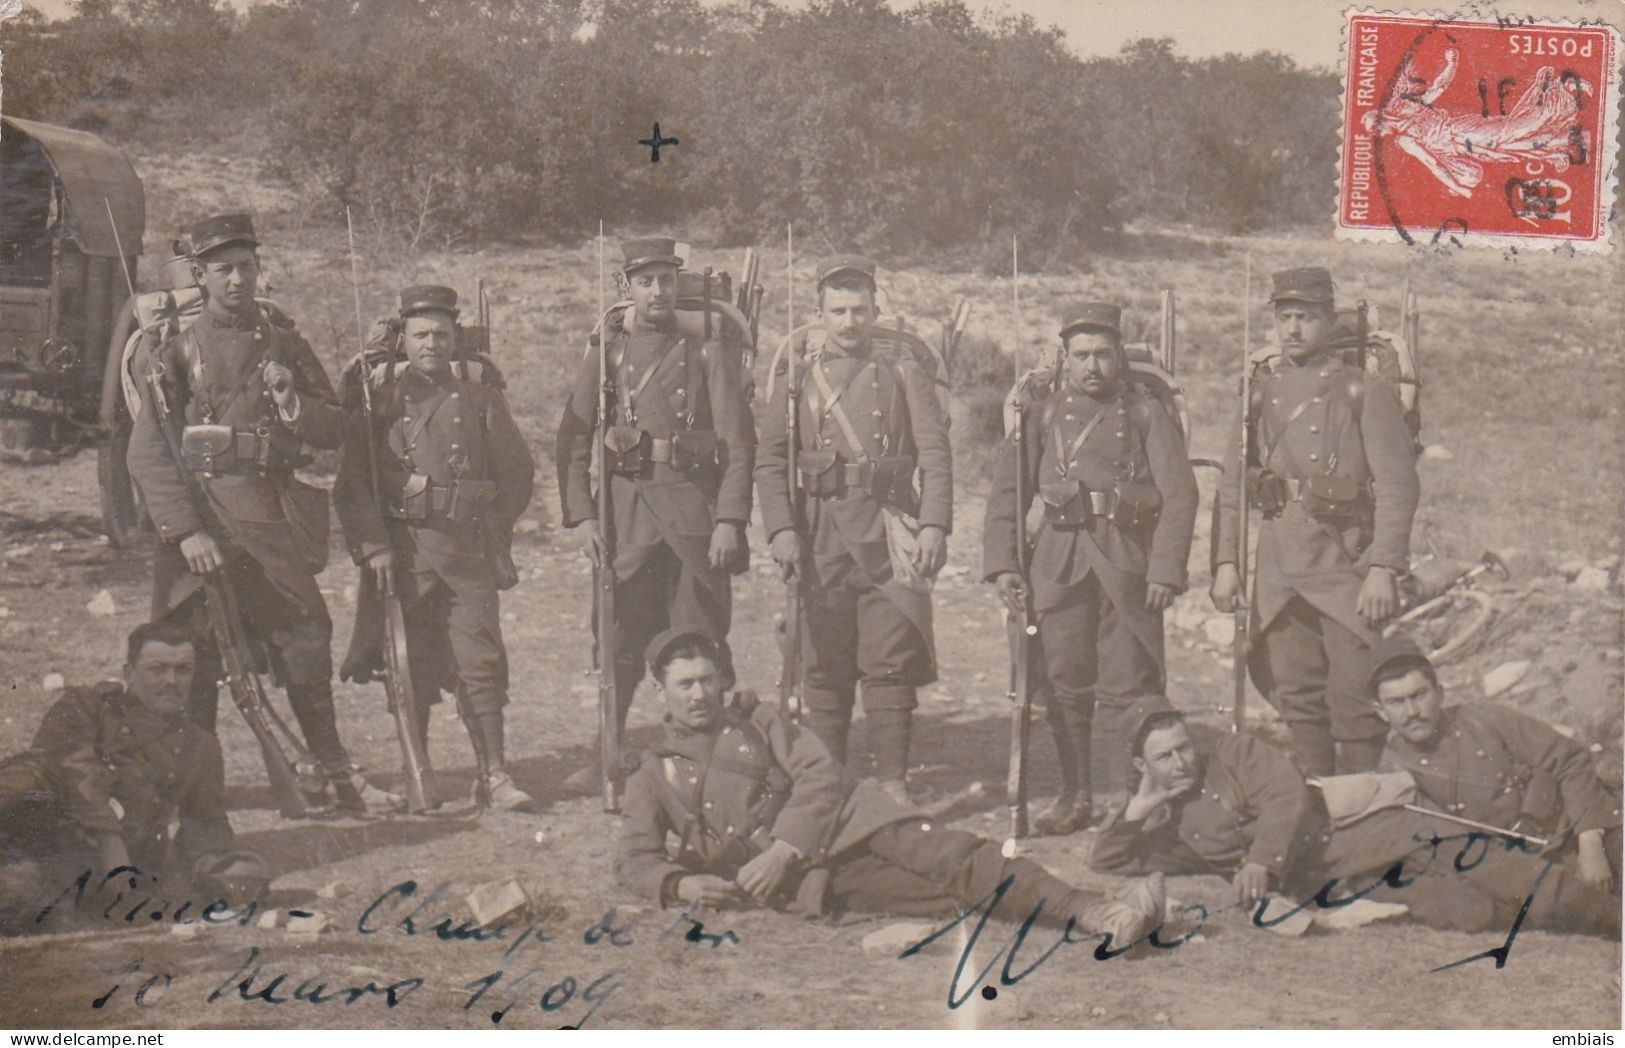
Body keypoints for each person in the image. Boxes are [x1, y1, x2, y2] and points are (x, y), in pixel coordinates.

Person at [615, 627, 1164, 944]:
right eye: (683, 684)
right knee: (941, 899)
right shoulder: (651, 771)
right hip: (810, 879)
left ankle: (1095, 911)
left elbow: (822, 774)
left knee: (959, 857)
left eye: (707, 679)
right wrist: (678, 886)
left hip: (851, 819)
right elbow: (633, 859)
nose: (698, 695)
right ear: (660, 691)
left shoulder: (758, 723)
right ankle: (1099, 914)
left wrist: (784, 848)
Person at [125, 212, 398, 813]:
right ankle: (194, 789)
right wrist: (188, 530)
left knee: (305, 637)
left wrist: (289, 398)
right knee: (192, 658)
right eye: (223, 270)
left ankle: (330, 771)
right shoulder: (174, 351)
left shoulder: (283, 341)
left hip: (267, 518)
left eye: (246, 268)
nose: (237, 280)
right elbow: (148, 450)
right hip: (201, 523)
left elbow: (333, 429)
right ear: (200, 276)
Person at [983, 302, 1198, 834]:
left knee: (1129, 686)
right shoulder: (1042, 414)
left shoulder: (1147, 413)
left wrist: (1166, 569)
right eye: (1081, 356)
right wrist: (1004, 565)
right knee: (1062, 683)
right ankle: (1075, 793)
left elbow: (1180, 494)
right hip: (1056, 564)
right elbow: (1008, 494)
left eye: (1103, 354)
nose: (1092, 366)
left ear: (1119, 356)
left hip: (1127, 565)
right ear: (1065, 358)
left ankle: (1129, 795)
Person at [1210, 266, 1421, 777]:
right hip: (1279, 570)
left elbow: (1398, 484)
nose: (1293, 330)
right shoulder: (1258, 392)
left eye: (1305, 317)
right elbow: (1233, 485)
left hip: (1343, 566)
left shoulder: (1362, 391)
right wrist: (1226, 562)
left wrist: (1383, 568)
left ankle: (1361, 805)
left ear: (1329, 321)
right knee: (1297, 696)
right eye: (1284, 318)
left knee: (1355, 697)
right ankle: (1315, 805)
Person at [755, 255, 951, 800]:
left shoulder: (903, 373)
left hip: (889, 528)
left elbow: (935, 453)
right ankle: (828, 781)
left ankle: (892, 781)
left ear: (874, 310)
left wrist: (934, 523)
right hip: (818, 533)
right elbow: (771, 462)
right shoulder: (795, 383)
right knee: (823, 661)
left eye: (859, 310)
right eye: (837, 311)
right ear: (819, 316)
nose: (849, 322)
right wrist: (780, 531)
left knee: (890, 659)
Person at [334, 286, 537, 811]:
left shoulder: (479, 398)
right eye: (421, 334)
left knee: (481, 659)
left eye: (442, 335)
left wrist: (491, 527)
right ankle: (415, 771)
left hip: (466, 552)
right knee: (406, 666)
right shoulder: (376, 402)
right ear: (402, 340)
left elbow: (517, 473)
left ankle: (493, 774)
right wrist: (373, 546)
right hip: (402, 554)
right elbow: (352, 483)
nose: (432, 344)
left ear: (456, 340)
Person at [556, 237, 755, 759]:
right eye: (646, 281)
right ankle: (610, 749)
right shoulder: (607, 355)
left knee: (698, 637)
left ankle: (701, 755)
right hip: (625, 519)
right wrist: (580, 516)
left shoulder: (709, 353)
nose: (658, 291)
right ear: (628, 288)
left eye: (666, 279)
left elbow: (738, 443)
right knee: (619, 640)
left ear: (678, 284)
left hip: (693, 518)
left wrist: (730, 519)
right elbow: (573, 439)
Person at [0, 622, 268, 929]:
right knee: (26, 780)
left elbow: (207, 822)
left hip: (91, 870)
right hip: (40, 838)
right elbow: (62, 767)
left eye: (183, 670)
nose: (171, 680)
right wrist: (109, 838)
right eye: (158, 669)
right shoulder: (87, 708)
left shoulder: (199, 745)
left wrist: (214, 866)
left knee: (30, 898)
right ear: (129, 674)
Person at [1366, 637, 1621, 933]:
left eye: (1419, 695)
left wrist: (1591, 846)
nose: (1411, 711)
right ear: (1380, 710)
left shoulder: (1484, 719)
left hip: (1575, 831)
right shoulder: (1391, 772)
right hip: (1524, 875)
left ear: (1439, 693)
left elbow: (1570, 761)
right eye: (1396, 702)